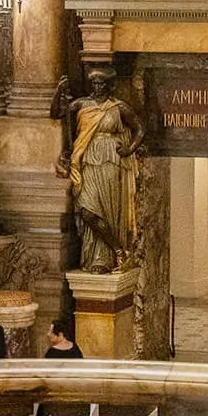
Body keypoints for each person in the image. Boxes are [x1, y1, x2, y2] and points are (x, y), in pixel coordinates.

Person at [51, 71, 143, 273]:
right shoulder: (82, 104)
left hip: (111, 161)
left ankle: (103, 259)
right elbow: (58, 113)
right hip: (87, 158)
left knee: (107, 209)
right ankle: (119, 250)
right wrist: (59, 92)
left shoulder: (118, 107)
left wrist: (129, 149)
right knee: (87, 210)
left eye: (101, 84)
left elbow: (139, 129)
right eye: (94, 84)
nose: (97, 87)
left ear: (109, 86)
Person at [30, 319, 103, 416]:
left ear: (60, 334)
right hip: (73, 392)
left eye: (51, 331)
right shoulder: (74, 348)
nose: (48, 334)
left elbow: (46, 374)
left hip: (56, 394)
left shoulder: (52, 352)